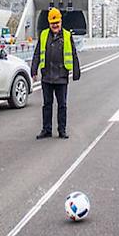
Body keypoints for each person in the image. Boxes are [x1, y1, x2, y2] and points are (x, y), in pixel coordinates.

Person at [31, 8, 81, 139]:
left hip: (61, 77)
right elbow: (37, 53)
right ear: (49, 23)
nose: (55, 25)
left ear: (61, 22)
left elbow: (73, 54)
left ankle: (62, 130)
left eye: (57, 22)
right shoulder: (43, 35)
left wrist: (76, 71)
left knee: (62, 105)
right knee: (47, 105)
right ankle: (46, 130)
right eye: (53, 23)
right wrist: (34, 70)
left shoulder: (67, 36)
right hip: (47, 76)